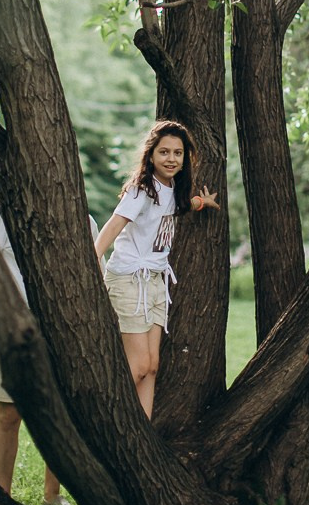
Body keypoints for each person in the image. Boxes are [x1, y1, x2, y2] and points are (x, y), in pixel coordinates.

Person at [0, 208, 98, 505]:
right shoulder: (6, 215)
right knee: (10, 412)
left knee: (61, 413)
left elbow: (97, 275)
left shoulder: (84, 221)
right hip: (13, 325)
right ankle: (3, 496)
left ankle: (52, 494)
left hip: (65, 330)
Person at [94, 120, 219, 419]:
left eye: (177, 153)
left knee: (151, 367)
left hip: (155, 282)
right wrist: (92, 262)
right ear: (150, 155)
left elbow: (180, 207)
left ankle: (143, 434)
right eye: (164, 152)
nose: (171, 158)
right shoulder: (141, 190)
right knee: (137, 366)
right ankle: (105, 422)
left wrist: (202, 202)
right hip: (129, 280)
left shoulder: (174, 188)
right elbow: (114, 225)